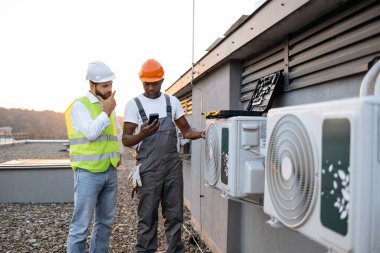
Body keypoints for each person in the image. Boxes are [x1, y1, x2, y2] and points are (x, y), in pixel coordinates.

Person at [122, 58, 205, 253]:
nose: (151, 87)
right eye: (146, 83)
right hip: (148, 168)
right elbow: (126, 139)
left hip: (172, 167)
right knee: (147, 216)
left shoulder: (172, 102)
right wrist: (143, 133)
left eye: (155, 83)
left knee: (175, 215)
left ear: (162, 80)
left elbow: (186, 131)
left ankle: (175, 250)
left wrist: (202, 133)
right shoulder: (133, 105)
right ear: (141, 82)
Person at [65, 61, 124, 253]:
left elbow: (116, 131)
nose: (109, 90)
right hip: (87, 174)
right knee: (80, 227)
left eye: (110, 85)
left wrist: (120, 153)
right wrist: (106, 110)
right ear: (92, 86)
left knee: (104, 224)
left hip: (109, 170)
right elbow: (91, 133)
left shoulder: (109, 106)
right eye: (104, 86)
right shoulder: (80, 106)